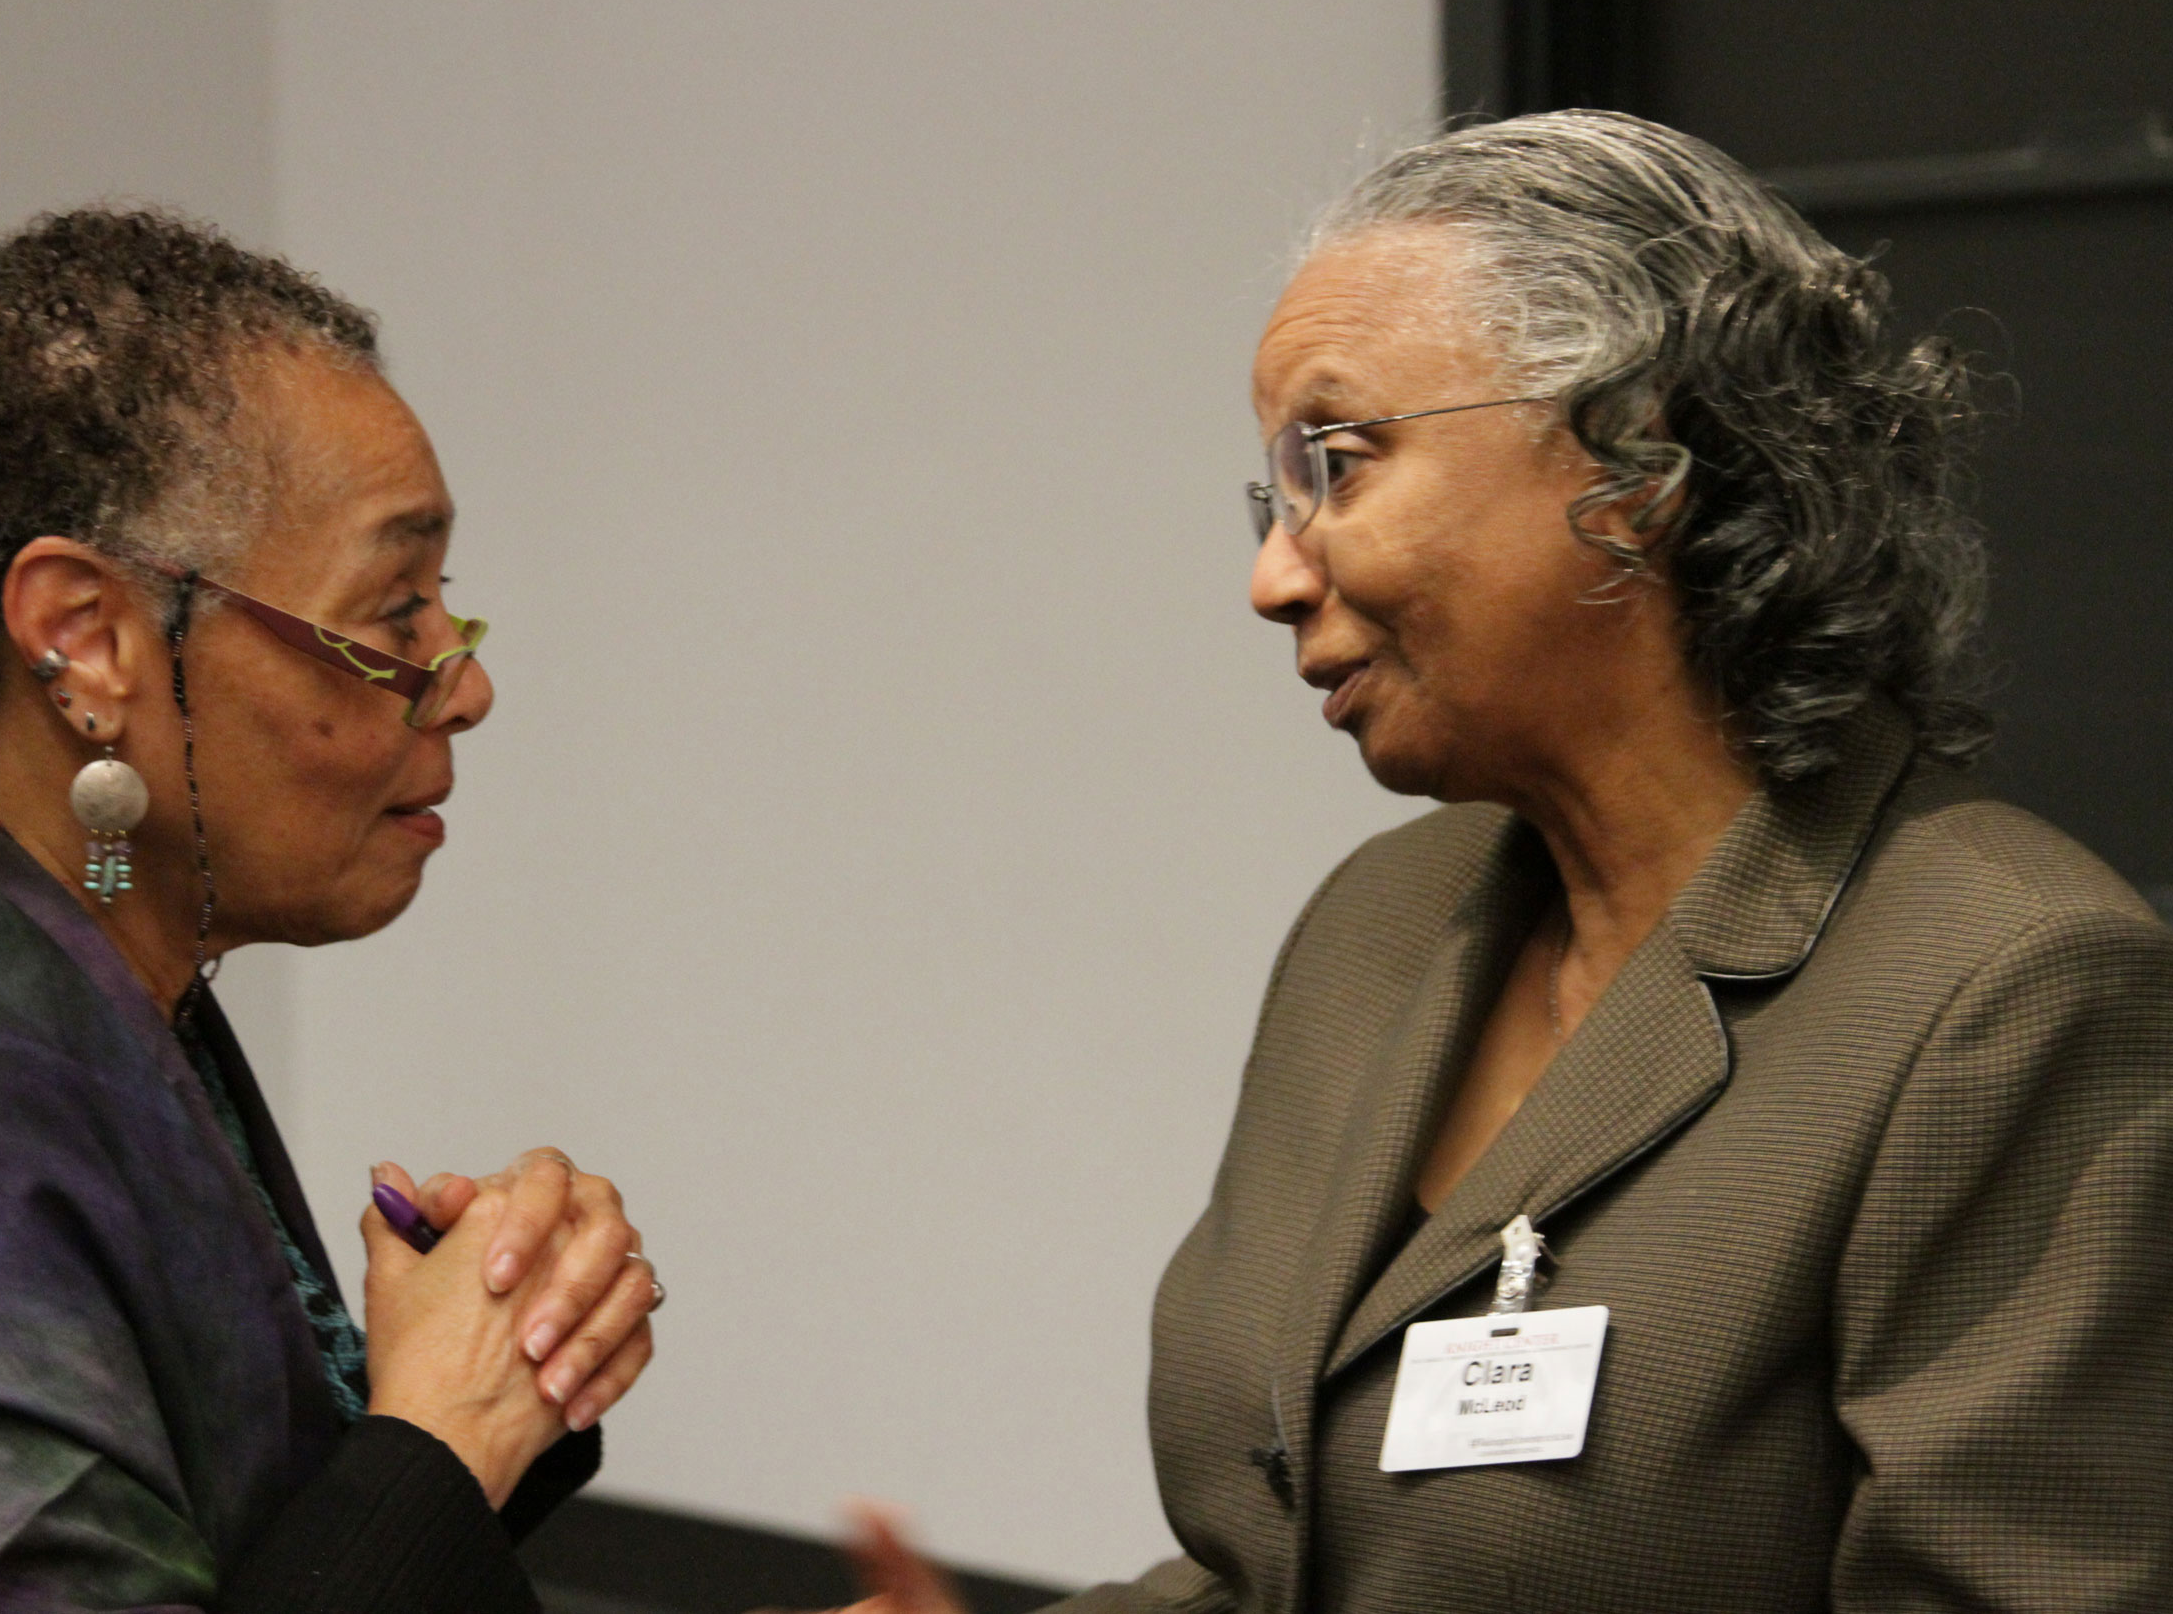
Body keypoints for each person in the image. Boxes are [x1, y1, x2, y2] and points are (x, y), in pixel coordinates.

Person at [852, 111, 2173, 1612]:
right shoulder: (1381, 922)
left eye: (1337, 467)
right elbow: (1289, 1568)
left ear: (1638, 461)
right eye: (1272, 499)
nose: (1274, 576)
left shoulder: (2010, 995)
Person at [0, 210, 662, 1612]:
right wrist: (445, 1437)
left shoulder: (23, 910)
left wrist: (478, 1376)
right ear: (85, 639)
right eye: (393, 613)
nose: (464, 680)